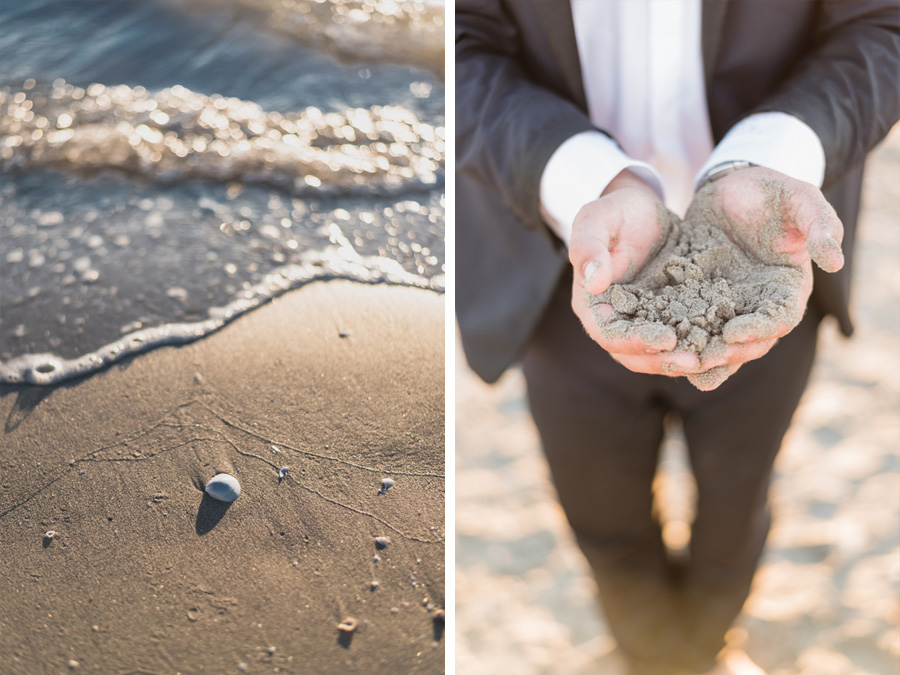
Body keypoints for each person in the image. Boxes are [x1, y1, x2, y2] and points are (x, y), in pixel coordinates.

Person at [455, 2, 900, 674]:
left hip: (766, 265)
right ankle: (650, 656)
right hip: (569, 274)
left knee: (736, 510)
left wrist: (770, 159)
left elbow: (881, 23)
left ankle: (706, 649)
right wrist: (592, 181)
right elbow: (457, 43)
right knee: (603, 524)